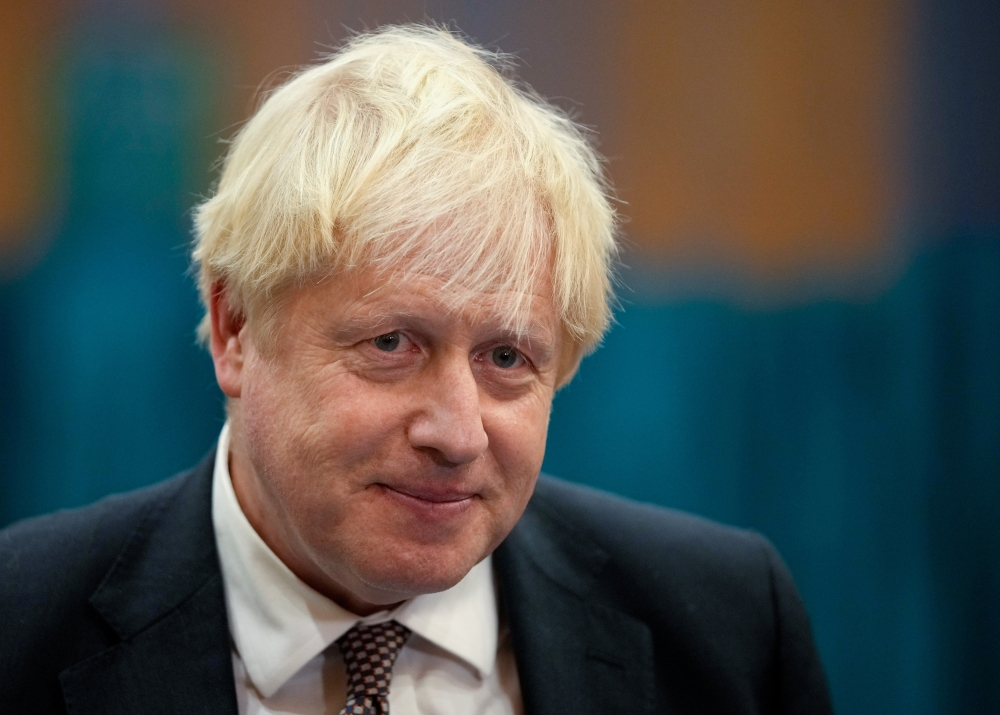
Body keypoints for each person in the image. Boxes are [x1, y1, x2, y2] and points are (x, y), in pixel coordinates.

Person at [0, 25, 833, 715]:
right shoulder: (20, 627)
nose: (458, 433)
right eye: (392, 344)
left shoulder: (725, 629)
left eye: (507, 357)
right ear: (236, 329)